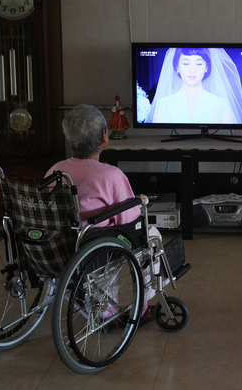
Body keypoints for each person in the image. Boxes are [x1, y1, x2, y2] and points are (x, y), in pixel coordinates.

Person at [46, 104, 158, 321]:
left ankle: (100, 306)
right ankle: (141, 304)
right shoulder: (111, 175)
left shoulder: (54, 171)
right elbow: (130, 219)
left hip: (59, 245)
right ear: (104, 137)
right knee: (151, 236)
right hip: (95, 250)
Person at [149, 47, 242, 125]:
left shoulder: (222, 105)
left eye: (199, 63)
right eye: (186, 63)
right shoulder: (163, 105)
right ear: (177, 67)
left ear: (206, 67)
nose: (192, 69)